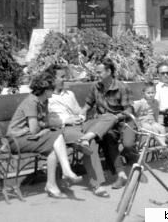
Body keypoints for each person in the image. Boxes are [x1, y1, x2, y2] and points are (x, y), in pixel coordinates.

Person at [6, 72, 82, 199]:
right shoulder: (31, 102)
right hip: (16, 140)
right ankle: (66, 171)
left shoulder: (44, 102)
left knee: (53, 148)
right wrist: (45, 127)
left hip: (28, 137)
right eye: (52, 88)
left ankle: (51, 185)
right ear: (45, 90)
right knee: (57, 136)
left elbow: (43, 124)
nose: (54, 90)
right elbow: (35, 129)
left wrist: (45, 127)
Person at [46, 65, 118, 197]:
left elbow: (79, 111)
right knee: (91, 144)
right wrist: (66, 121)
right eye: (62, 77)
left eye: (64, 76)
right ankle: (97, 185)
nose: (65, 79)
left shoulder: (69, 94)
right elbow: (46, 120)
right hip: (64, 129)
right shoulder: (47, 97)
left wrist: (80, 117)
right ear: (52, 79)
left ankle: (86, 137)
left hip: (81, 125)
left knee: (110, 117)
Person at [82, 58, 136, 189]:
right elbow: (88, 104)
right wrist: (81, 114)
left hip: (123, 121)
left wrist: (115, 118)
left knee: (128, 145)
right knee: (108, 138)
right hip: (104, 124)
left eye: (99, 72)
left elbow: (129, 109)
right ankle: (120, 174)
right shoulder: (96, 87)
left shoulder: (122, 87)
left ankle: (129, 156)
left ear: (109, 71)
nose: (97, 74)